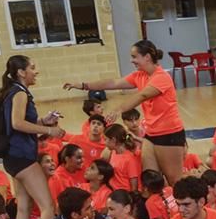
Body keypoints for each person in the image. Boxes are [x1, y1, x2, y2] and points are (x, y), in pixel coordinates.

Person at [64, 40, 187, 184]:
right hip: (151, 134)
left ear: (147, 57)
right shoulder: (139, 75)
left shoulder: (162, 77)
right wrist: (84, 85)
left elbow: (142, 95)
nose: (131, 60)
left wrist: (119, 109)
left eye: (134, 57)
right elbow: (113, 83)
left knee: (174, 180)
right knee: (150, 179)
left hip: (169, 134)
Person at [0, 55, 64, 219]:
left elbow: (20, 122)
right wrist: (48, 130)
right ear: (21, 72)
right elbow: (17, 123)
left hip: (12, 157)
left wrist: (43, 120)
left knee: (24, 206)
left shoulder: (12, 91)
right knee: (47, 205)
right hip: (22, 156)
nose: (36, 72)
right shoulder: (19, 93)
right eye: (32, 68)